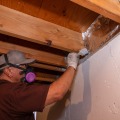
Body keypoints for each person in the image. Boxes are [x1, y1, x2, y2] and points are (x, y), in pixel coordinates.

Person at [0, 50, 79, 120]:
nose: (25, 70)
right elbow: (57, 93)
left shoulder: (4, 92)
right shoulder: (11, 92)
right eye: (22, 66)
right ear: (8, 71)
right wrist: (72, 65)